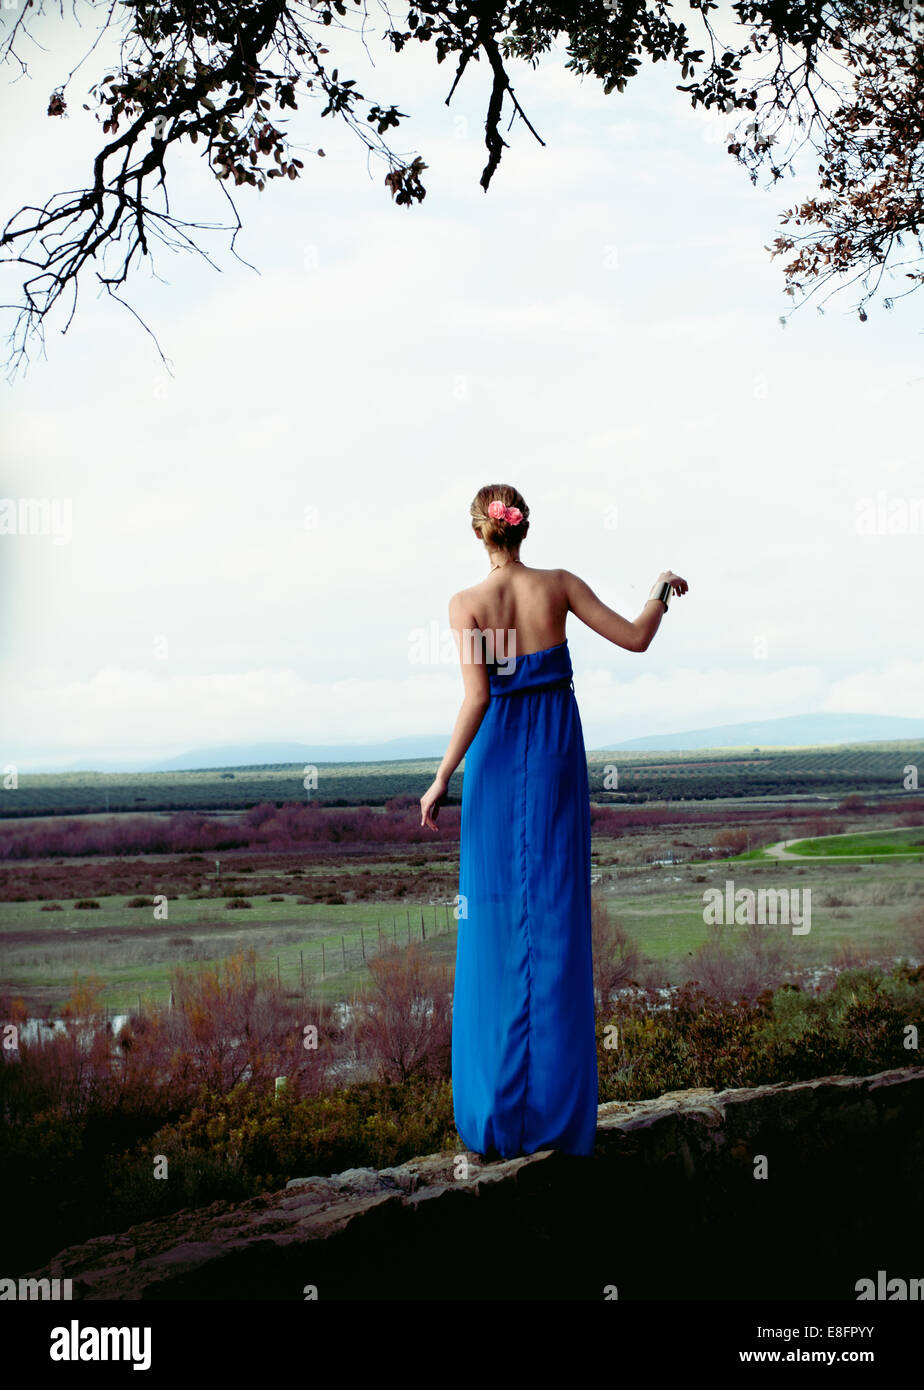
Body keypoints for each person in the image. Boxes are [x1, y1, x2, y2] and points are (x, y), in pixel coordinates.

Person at [419, 483, 688, 1160]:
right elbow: (635, 638)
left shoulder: (467, 604)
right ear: (522, 529)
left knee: (493, 919)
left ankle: (498, 1115)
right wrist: (659, 589)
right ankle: (558, 1117)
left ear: (479, 533)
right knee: (558, 914)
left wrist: (441, 777)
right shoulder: (559, 585)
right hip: (554, 753)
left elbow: (478, 697)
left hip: (497, 757)